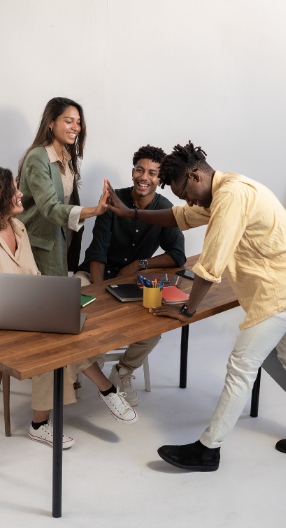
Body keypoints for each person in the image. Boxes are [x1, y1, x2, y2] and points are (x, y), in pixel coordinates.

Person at [105, 141, 286, 471]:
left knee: (241, 368)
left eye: (185, 192)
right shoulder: (223, 188)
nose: (187, 201)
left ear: (194, 176)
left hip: (277, 293)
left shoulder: (231, 196)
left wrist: (187, 310)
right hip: (274, 288)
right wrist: (129, 212)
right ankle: (208, 449)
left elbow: (210, 264)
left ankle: (207, 451)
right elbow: (179, 218)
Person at [0, 167, 138, 450]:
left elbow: (33, 276)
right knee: (53, 341)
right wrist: (30, 302)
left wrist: (44, 297)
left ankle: (44, 421)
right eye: (13, 190)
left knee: (69, 324)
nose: (20, 194)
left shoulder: (18, 227)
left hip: (28, 312)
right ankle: (104, 391)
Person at [75, 145, 186, 406]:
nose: (144, 176)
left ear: (160, 179)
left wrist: (141, 264)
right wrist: (102, 292)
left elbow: (177, 255)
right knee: (71, 302)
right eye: (139, 169)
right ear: (132, 171)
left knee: (155, 325)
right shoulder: (113, 202)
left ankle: (123, 371)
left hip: (133, 281)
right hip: (95, 274)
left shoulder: (165, 209)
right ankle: (85, 361)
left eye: (152, 172)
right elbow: (98, 251)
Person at [16, 96, 108, 276]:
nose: (76, 127)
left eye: (78, 122)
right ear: (51, 123)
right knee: (48, 300)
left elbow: (65, 201)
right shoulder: (38, 157)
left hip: (62, 239)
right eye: (69, 121)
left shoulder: (66, 156)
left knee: (60, 296)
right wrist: (95, 210)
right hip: (41, 244)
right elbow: (50, 208)